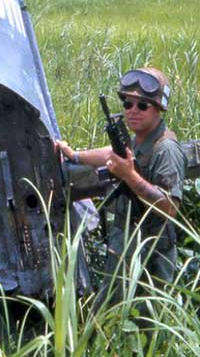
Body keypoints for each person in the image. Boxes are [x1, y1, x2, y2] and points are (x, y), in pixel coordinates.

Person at [56, 68, 187, 317]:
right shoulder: (139, 140)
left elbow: (170, 206)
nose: (132, 110)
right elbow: (110, 154)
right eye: (127, 103)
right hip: (126, 239)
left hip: (151, 249)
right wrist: (74, 155)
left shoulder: (166, 149)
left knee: (148, 318)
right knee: (108, 307)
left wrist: (129, 175)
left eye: (142, 105)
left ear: (158, 109)